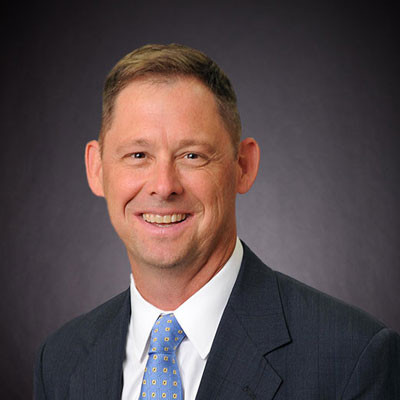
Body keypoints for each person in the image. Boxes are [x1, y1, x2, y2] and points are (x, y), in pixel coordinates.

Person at [34, 44, 400, 400]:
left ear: (243, 166)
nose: (164, 186)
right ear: (96, 169)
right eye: (138, 154)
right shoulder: (60, 361)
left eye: (192, 155)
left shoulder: (353, 358)